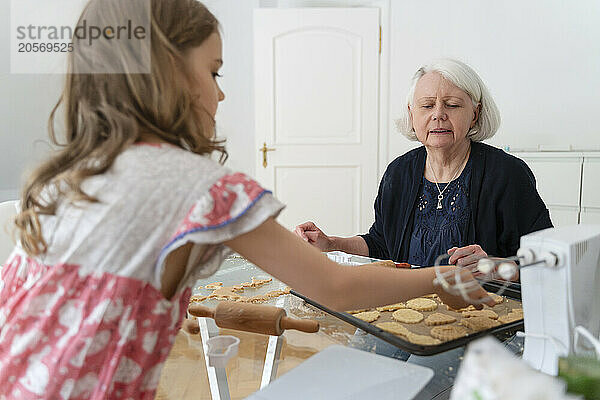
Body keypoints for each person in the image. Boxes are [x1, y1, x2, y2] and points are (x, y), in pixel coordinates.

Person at [0, 2, 493, 398]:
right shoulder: (197, 187)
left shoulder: (69, 176)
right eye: (214, 73)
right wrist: (439, 279)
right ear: (167, 76)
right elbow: (335, 288)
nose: (221, 95)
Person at [295, 58, 552, 270]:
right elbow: (381, 244)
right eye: (427, 105)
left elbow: (546, 260)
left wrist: (492, 266)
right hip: (406, 309)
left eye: (452, 105)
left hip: (481, 312)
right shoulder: (399, 172)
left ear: (474, 114)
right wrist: (330, 243)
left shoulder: (507, 174)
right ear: (412, 114)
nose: (438, 114)